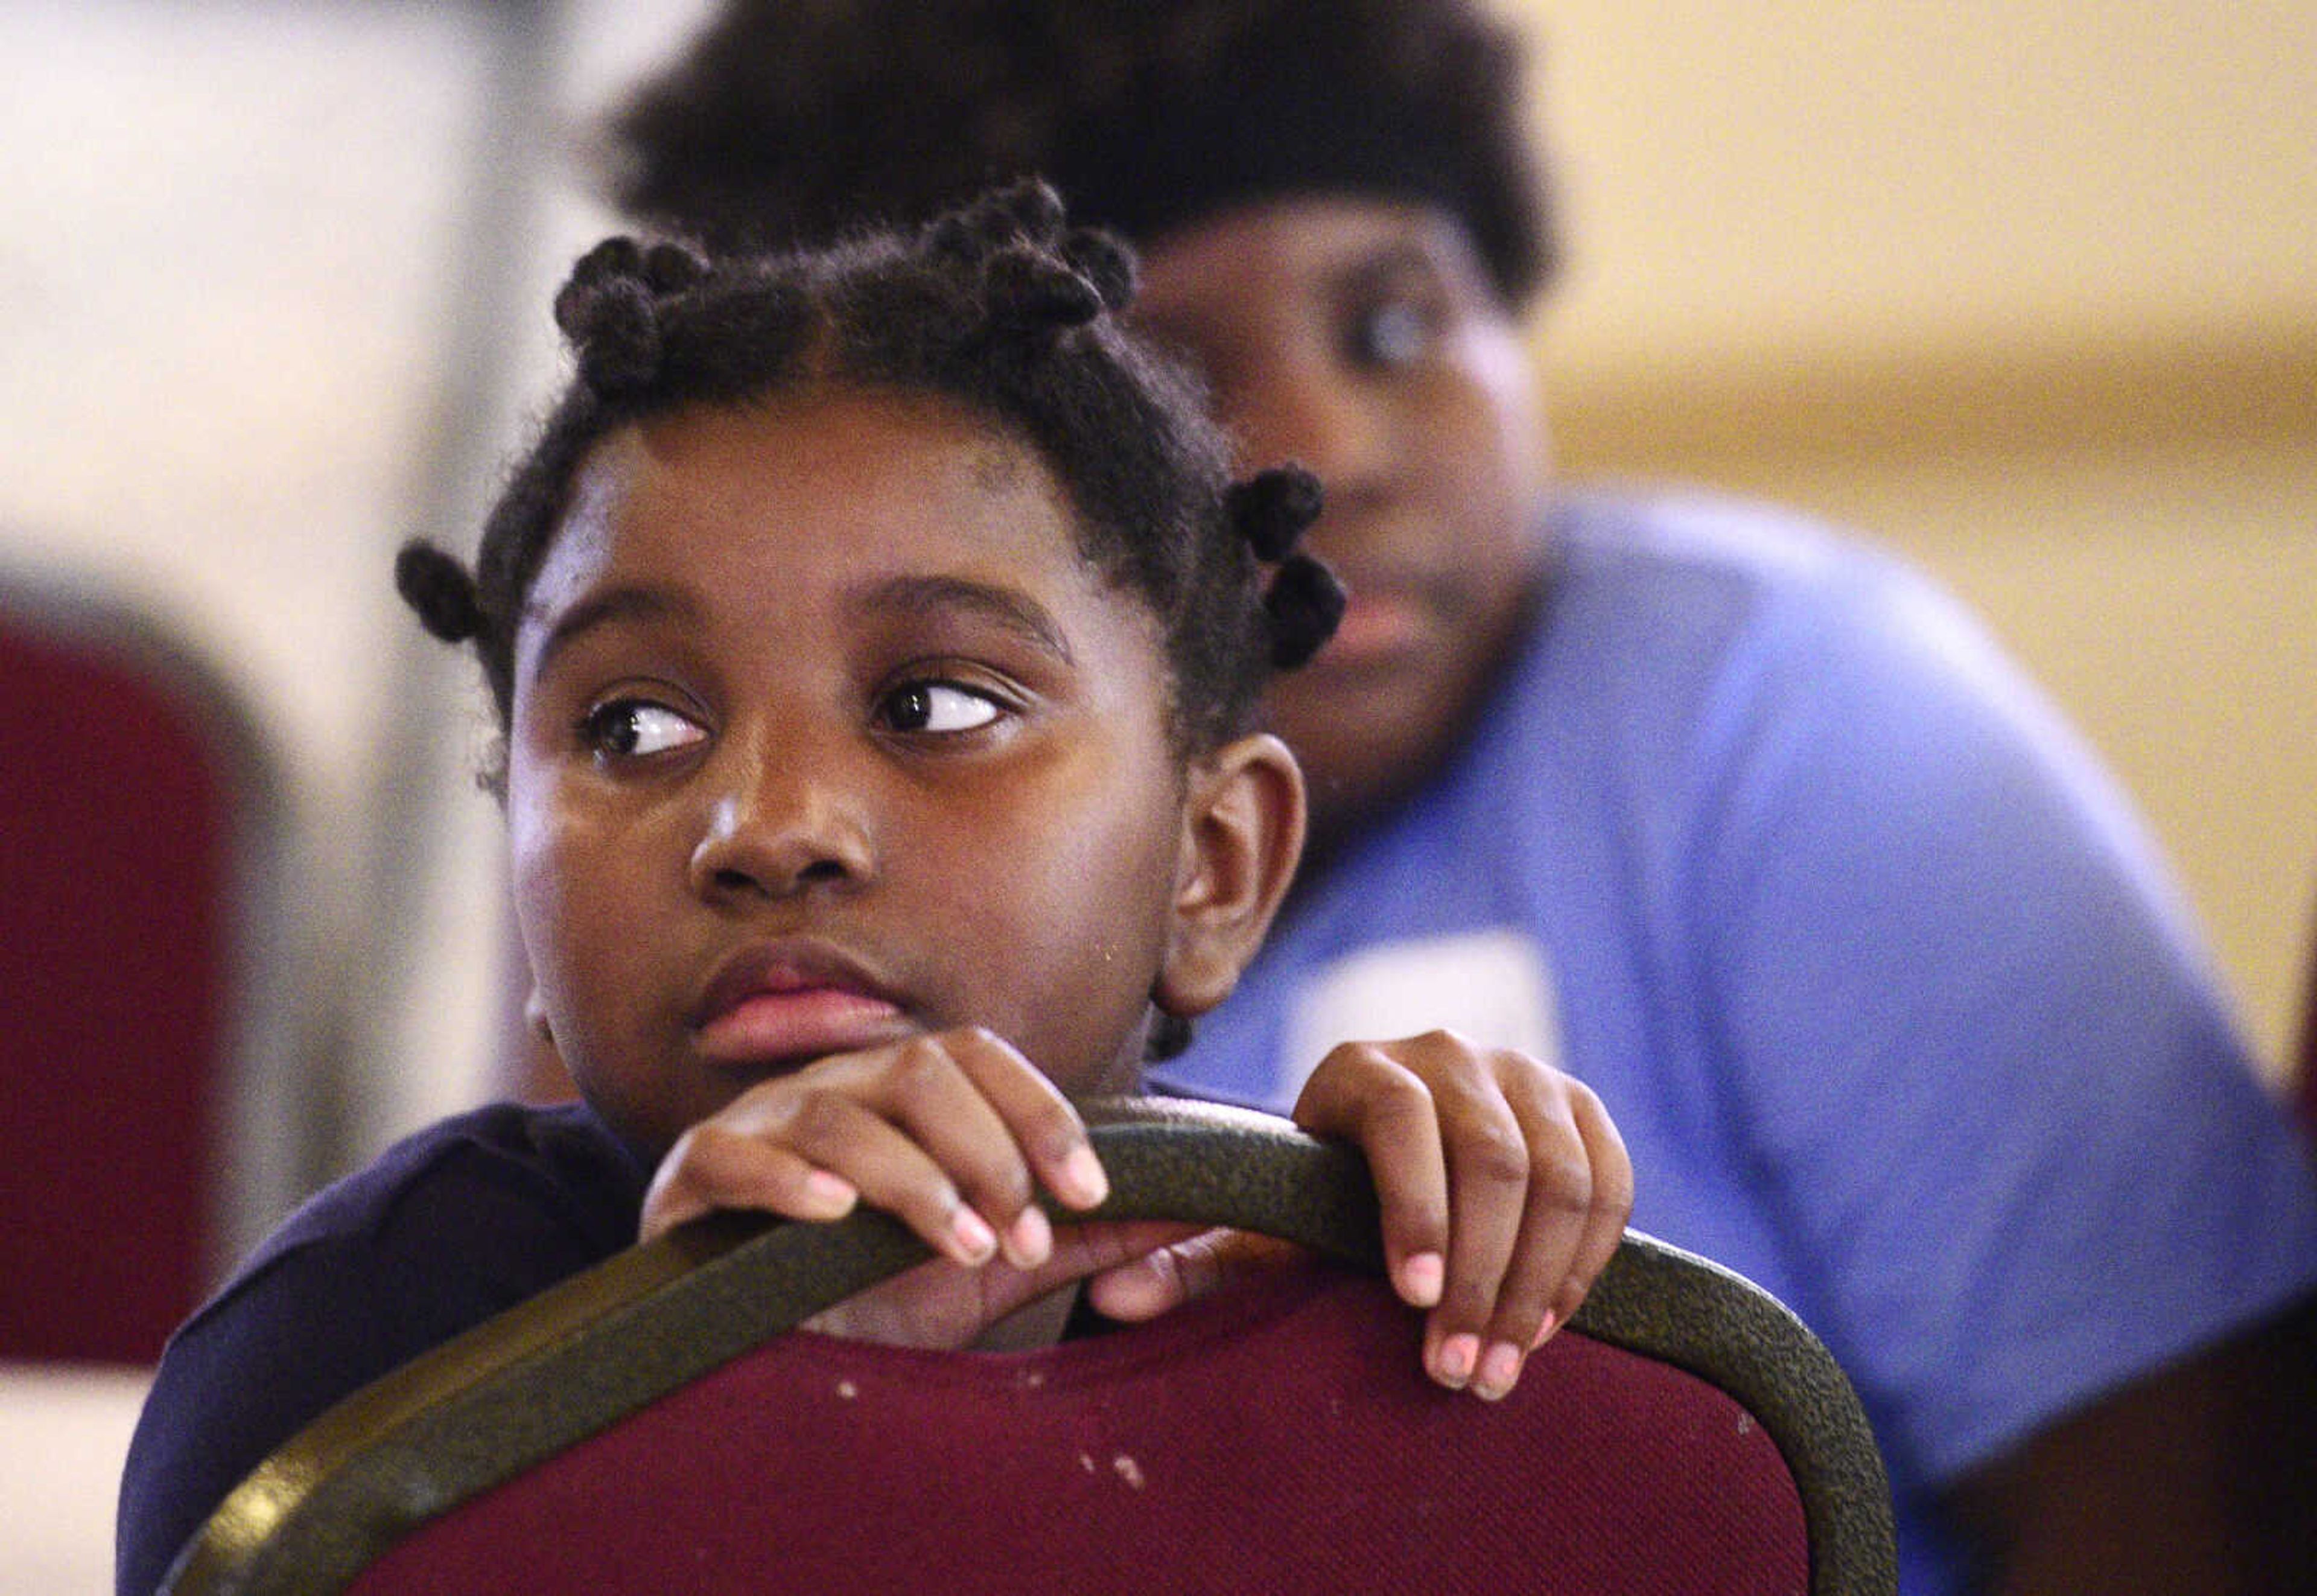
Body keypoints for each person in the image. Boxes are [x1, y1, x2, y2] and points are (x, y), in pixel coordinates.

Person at [601, 2, 2317, 1591]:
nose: (1335, 441)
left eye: (1399, 320)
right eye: (1177, 379)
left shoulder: (1767, 711)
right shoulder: (742, 889)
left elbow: (2191, 1507)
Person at [115, 186, 1634, 1595]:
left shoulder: (1303, 1307)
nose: (769, 828)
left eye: (937, 706)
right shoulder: (359, 1366)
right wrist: (766, 1415)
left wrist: (1489, 1342)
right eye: (630, 728)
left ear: (1215, 867)